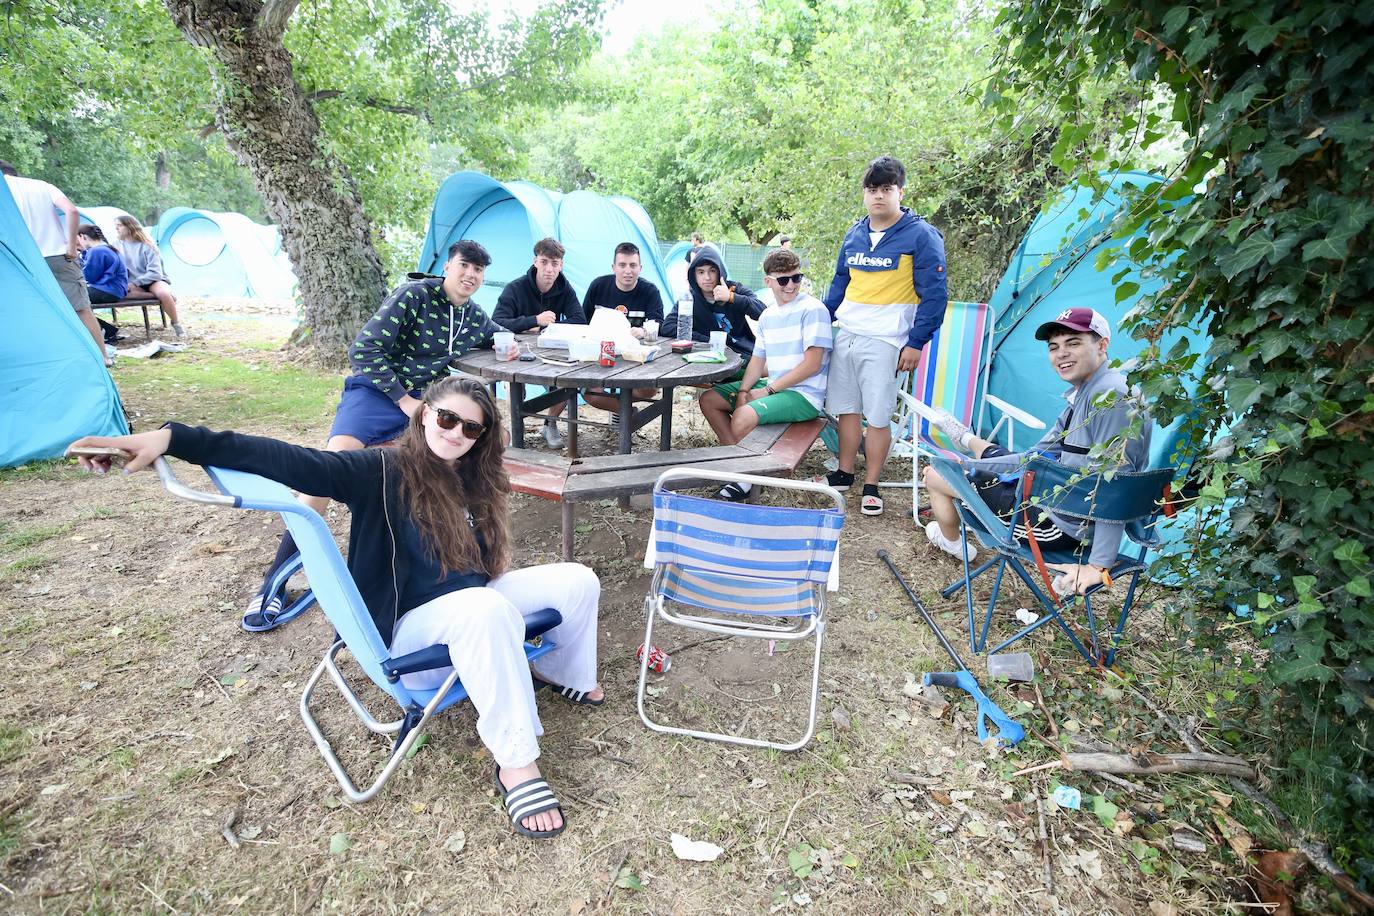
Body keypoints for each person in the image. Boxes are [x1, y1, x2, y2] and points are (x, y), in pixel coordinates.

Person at [68, 376, 602, 839]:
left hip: (472, 608)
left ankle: (559, 672)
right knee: (485, 612)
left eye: (472, 428)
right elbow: (285, 458)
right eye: (446, 418)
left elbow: (486, 575)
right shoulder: (379, 470)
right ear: (423, 416)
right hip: (414, 628)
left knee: (577, 579)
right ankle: (517, 765)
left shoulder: (473, 479)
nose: (456, 433)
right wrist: (174, 437)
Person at [246, 239, 501, 627]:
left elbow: (501, 331)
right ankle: (274, 583)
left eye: (479, 270)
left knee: (438, 471)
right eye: (465, 265)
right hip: (380, 393)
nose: (471, 275)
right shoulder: (413, 296)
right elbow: (364, 350)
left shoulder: (473, 317)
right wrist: (403, 401)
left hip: (429, 408)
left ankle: (426, 577)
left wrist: (530, 330)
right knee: (328, 470)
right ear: (448, 266)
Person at [921, 308, 1154, 595]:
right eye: (1054, 347)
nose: (1061, 354)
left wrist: (1098, 565)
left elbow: (1114, 481)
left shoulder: (1111, 397)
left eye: (1074, 343)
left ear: (1102, 344)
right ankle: (965, 439)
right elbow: (1033, 456)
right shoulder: (1092, 390)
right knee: (999, 460)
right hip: (1060, 500)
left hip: (1059, 527)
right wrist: (968, 465)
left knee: (935, 475)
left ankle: (953, 544)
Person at [821, 154, 947, 517]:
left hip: (888, 342)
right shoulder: (855, 233)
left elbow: (935, 295)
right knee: (847, 410)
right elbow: (838, 286)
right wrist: (819, 325)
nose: (879, 196)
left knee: (877, 417)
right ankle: (844, 473)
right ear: (864, 194)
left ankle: (872, 485)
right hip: (847, 335)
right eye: (872, 189)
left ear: (900, 191)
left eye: (886, 189)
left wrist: (916, 342)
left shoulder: (921, 235)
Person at [698, 249, 832, 501]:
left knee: (743, 415)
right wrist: (743, 391)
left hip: (804, 394)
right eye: (783, 280)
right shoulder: (768, 315)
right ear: (768, 281)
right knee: (709, 399)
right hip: (777, 386)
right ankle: (740, 466)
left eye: (796, 278)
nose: (791, 285)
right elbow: (758, 360)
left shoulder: (813, 309)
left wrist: (767, 390)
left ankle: (743, 480)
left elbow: (812, 365)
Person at [1, 160, 110, 367]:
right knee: (81, 309)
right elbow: (72, 210)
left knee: (35, 311)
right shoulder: (42, 185)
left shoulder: (4, 192)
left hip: (24, 260)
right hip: (58, 255)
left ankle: (46, 358)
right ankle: (103, 357)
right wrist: (71, 245)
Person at [492, 238, 585, 449]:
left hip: (551, 352)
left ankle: (549, 423)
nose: (549, 269)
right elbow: (496, 321)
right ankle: (517, 426)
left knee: (568, 380)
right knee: (512, 381)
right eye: (544, 262)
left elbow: (579, 319)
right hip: (516, 352)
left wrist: (545, 328)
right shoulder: (516, 288)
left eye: (554, 263)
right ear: (535, 262)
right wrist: (533, 320)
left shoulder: (564, 287)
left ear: (561, 265)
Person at [580, 242, 663, 415]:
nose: (628, 270)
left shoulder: (650, 291)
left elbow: (659, 324)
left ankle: (620, 412)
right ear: (613, 267)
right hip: (600, 356)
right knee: (591, 394)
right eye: (622, 265)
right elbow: (583, 322)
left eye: (633, 265)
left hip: (635, 360)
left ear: (640, 268)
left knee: (649, 390)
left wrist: (644, 331)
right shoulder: (598, 286)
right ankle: (626, 414)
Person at [661, 245, 766, 358]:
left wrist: (731, 297)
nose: (707, 277)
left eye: (712, 271)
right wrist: (708, 339)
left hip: (742, 352)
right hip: (709, 354)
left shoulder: (733, 289)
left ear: (719, 272)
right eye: (701, 272)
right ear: (694, 275)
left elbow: (763, 313)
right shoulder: (690, 299)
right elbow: (667, 327)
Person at [113, 215, 184, 338]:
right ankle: (156, 296)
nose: (116, 229)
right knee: (119, 293)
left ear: (129, 226)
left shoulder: (147, 245)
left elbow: (156, 273)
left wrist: (136, 283)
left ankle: (176, 323)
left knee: (163, 294)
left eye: (119, 226)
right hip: (132, 282)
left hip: (153, 280)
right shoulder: (116, 244)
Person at [76, 225, 129, 305]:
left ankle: (88, 318)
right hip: (115, 291)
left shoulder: (96, 251)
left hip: (105, 290)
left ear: (82, 237)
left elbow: (89, 277)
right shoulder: (107, 248)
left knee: (69, 297)